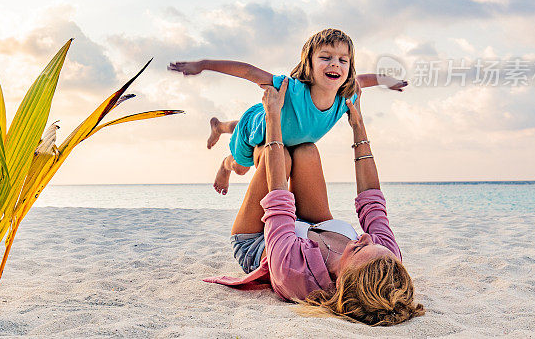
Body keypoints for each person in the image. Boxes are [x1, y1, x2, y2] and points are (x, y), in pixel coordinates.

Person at [203, 80, 424, 326]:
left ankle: (229, 164)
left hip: (257, 240)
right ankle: (238, 139)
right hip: (313, 228)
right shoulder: (385, 261)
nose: (364, 238)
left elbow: (279, 200)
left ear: (340, 281)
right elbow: (372, 201)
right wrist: (358, 124)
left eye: (359, 248)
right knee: (307, 149)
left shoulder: (293, 273)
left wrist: (273, 116)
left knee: (277, 155)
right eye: (369, 242)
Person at [168, 28, 407, 195]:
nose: (335, 63)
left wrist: (388, 81)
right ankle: (224, 163)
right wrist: (203, 64)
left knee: (244, 124)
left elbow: (364, 80)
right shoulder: (290, 88)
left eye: (343, 60)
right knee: (242, 167)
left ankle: (220, 126)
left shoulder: (346, 93)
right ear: (309, 65)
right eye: (326, 57)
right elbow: (249, 72)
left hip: (282, 131)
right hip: (258, 132)